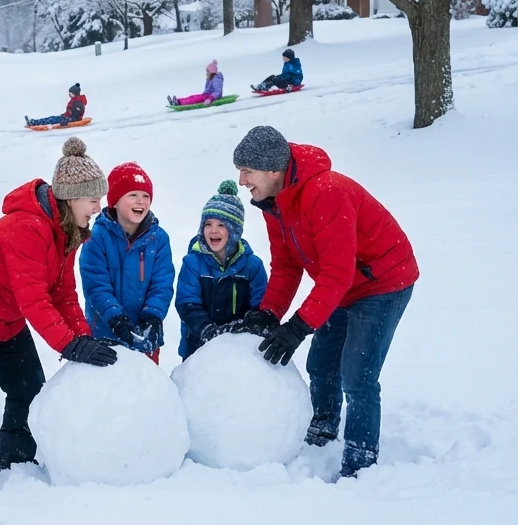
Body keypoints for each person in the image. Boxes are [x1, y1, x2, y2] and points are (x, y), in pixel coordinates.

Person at [0, 137, 118, 498]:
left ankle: (15, 469)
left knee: (28, 392)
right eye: (92, 198)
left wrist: (84, 336)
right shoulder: (27, 227)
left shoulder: (65, 231)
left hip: (6, 320)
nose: (97, 206)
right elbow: (34, 298)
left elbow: (62, 293)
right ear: (70, 196)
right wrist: (70, 344)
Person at [231, 126, 419, 478]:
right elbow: (287, 265)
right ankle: (322, 428)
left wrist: (298, 327)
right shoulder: (274, 204)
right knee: (321, 364)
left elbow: (336, 272)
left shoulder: (325, 193)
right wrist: (269, 314)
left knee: (358, 375)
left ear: (272, 170)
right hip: (344, 284)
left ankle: (361, 461)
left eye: (246, 171)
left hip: (383, 281)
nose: (241, 181)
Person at [79, 161, 175, 362]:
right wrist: (116, 318)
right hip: (106, 333)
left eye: (146, 196)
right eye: (133, 195)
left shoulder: (158, 239)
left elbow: (162, 284)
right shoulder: (96, 237)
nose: (141, 201)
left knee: (145, 388)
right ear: (114, 201)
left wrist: (153, 316)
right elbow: (96, 286)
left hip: (145, 334)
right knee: (110, 389)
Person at [174, 180, 268, 358]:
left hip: (240, 351)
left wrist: (245, 326)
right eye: (208, 224)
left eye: (221, 225)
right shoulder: (193, 263)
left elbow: (260, 306)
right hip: (198, 348)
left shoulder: (252, 266)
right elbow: (187, 303)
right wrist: (208, 331)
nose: (213, 231)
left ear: (234, 230)